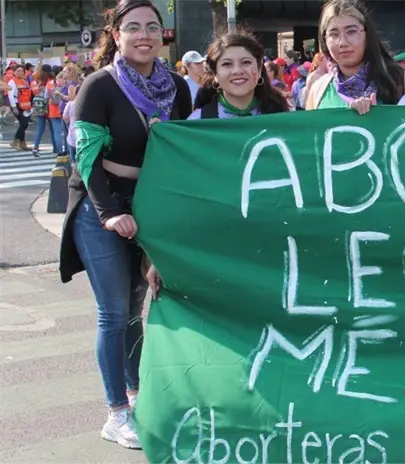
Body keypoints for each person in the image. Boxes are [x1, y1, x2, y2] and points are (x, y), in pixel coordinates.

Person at [58, 0, 191, 450]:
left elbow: (183, 151)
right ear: (116, 36)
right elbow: (87, 157)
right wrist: (110, 212)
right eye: (133, 28)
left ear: (163, 34)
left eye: (153, 27)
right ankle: (115, 412)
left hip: (151, 209)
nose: (144, 35)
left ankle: (136, 396)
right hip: (101, 207)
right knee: (114, 312)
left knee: (139, 308)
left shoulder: (177, 87)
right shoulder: (98, 86)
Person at [305, 0, 405, 112]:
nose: (342, 42)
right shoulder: (318, 91)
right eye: (334, 34)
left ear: (367, 35)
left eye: (351, 32)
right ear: (325, 40)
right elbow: (309, 129)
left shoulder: (400, 82)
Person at [189, 31, 291, 120]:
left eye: (246, 62)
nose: (237, 71)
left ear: (259, 69)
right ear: (215, 74)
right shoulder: (197, 123)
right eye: (227, 64)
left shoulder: (284, 116)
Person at [7, 64, 34, 150]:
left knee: (23, 124)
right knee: (24, 124)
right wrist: (14, 107)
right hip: (17, 105)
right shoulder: (12, 81)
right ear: (14, 72)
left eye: (21, 71)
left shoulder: (25, 81)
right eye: (17, 71)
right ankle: (15, 141)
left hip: (26, 105)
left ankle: (22, 144)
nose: (20, 72)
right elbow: (10, 95)